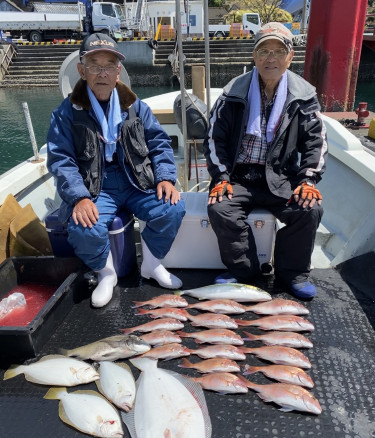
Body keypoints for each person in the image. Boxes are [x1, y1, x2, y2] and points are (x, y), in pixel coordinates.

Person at [47, 33, 185, 308]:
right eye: (94, 64)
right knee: (83, 227)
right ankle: (106, 273)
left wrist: (167, 177)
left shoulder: (136, 107)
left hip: (136, 181)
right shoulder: (66, 113)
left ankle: (152, 264)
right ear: (81, 70)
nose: (102, 72)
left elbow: (159, 143)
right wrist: (79, 197)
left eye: (109, 65)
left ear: (118, 70)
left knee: (172, 208)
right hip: (95, 187)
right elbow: (61, 159)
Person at [204, 22, 327, 300]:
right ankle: (244, 273)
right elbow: (214, 138)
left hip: (281, 176)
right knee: (220, 209)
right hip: (239, 175)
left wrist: (308, 179)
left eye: (278, 51)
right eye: (263, 51)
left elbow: (316, 142)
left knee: (309, 209)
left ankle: (292, 273)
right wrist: (221, 177)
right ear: (254, 56)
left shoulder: (304, 96)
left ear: (289, 57)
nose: (270, 58)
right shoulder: (233, 91)